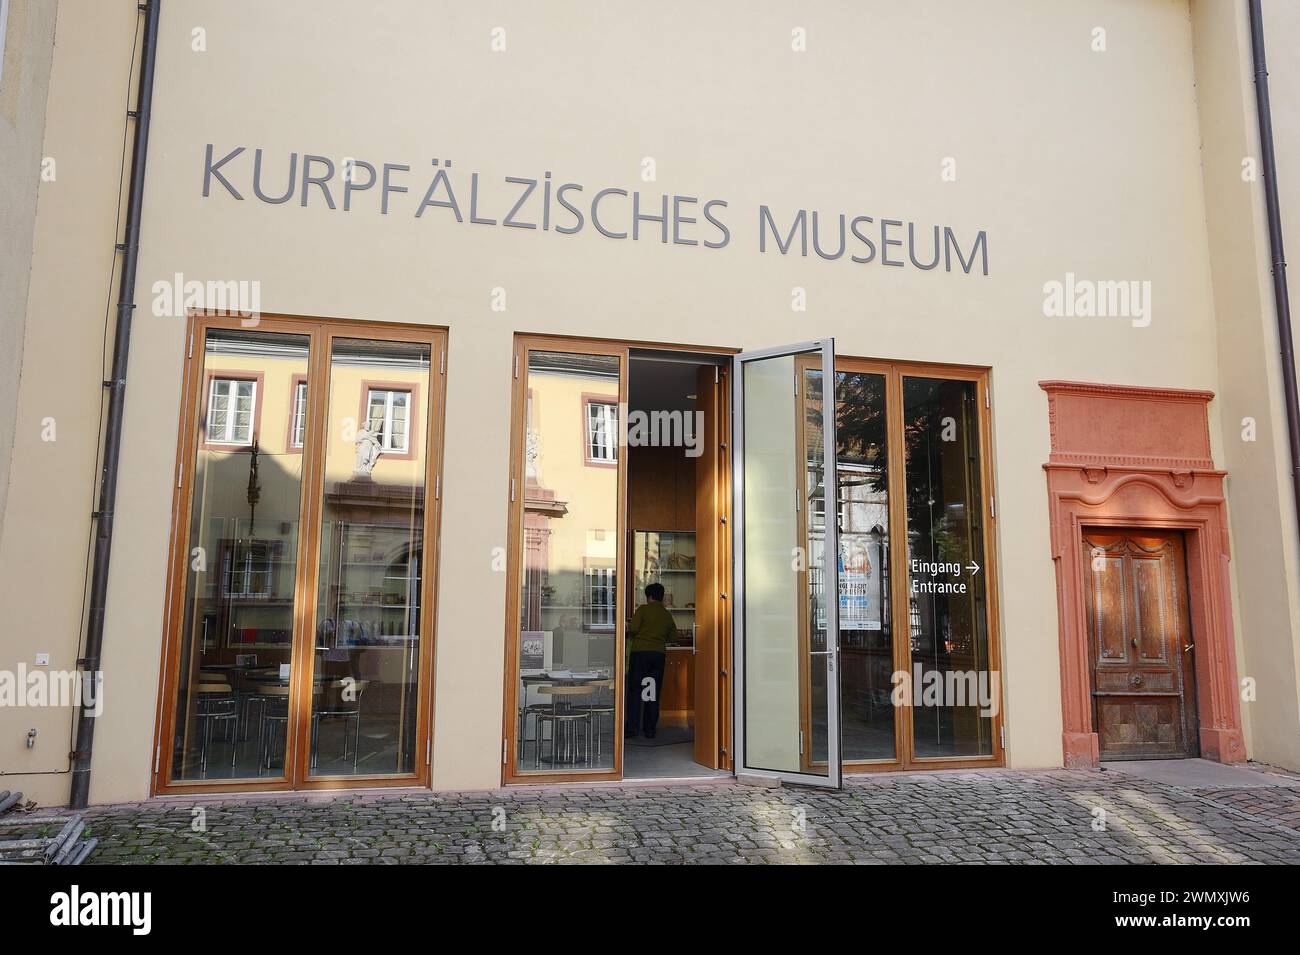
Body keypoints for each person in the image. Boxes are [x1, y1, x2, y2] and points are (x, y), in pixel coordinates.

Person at [625, 582, 675, 739]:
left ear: (649, 596)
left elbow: (632, 629)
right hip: (657, 656)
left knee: (635, 691)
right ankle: (650, 729)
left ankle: (633, 728)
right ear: (661, 597)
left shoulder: (643, 610)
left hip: (640, 654)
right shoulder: (666, 614)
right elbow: (674, 636)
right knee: (651, 692)